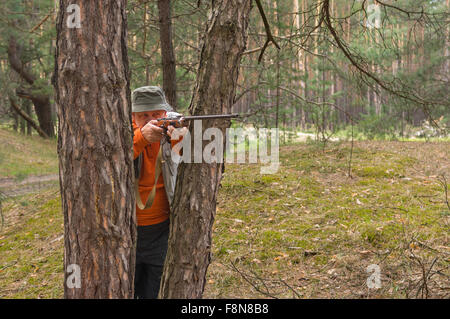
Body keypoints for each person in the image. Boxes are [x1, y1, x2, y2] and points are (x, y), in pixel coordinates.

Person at [131, 86, 186, 299]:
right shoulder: (120, 133)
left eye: (156, 114)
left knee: (153, 292)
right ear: (133, 116)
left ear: (165, 113)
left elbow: (194, 163)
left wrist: (182, 141)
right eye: (143, 115)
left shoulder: (174, 128)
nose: (150, 119)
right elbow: (110, 158)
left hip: (162, 231)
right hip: (127, 233)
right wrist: (142, 138)